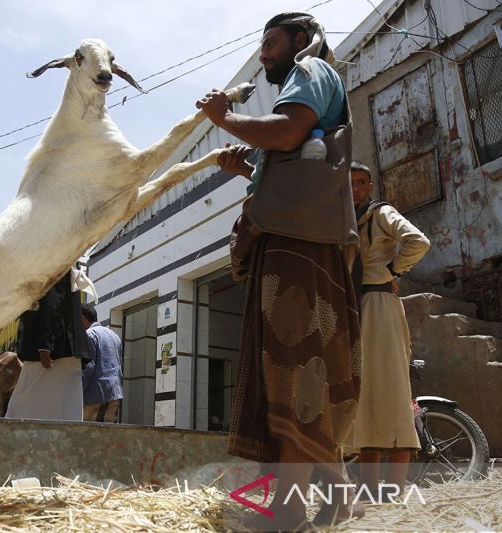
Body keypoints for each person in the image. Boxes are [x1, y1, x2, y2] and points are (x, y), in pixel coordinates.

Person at [196, 12, 362, 529]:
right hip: (300, 242)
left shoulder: (309, 71)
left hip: (299, 247)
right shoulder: (308, 84)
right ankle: (337, 496)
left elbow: (288, 134)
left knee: (292, 370)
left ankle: (289, 510)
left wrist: (224, 117)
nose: (264, 54)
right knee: (302, 371)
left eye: (271, 43)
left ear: (301, 40)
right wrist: (247, 170)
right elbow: (293, 163)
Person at [349, 161, 430, 501]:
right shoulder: (344, 219)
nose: (355, 188)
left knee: (393, 393)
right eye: (349, 183)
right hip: (355, 308)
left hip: (380, 306)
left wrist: (394, 270)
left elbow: (418, 241)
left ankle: (396, 488)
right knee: (365, 395)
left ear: (370, 186)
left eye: (361, 182)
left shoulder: (380, 213)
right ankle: (369, 487)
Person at [5, 270, 90, 421]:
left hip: (53, 349)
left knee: (24, 402)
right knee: (66, 404)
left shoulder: (54, 266)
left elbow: (52, 302)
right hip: (64, 348)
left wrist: (45, 345)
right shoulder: (62, 266)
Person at [80, 303, 123, 423]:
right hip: (114, 394)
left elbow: (88, 368)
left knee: (87, 432)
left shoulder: (89, 335)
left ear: (82, 318)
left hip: (93, 395)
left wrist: (78, 393)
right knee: (107, 432)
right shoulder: (114, 336)